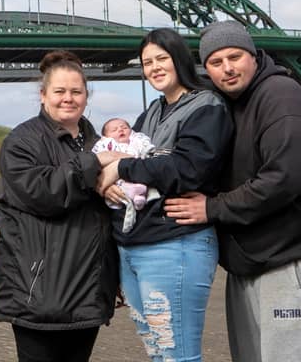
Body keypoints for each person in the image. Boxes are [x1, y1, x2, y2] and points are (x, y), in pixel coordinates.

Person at [164, 20, 301, 362]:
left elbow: (283, 179)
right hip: (253, 261)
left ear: (254, 56)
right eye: (216, 62)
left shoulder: (281, 96)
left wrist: (211, 208)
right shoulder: (226, 104)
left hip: (293, 259)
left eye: (235, 56)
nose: (227, 68)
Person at [96, 28, 234, 361]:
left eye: (162, 58)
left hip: (175, 245)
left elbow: (188, 169)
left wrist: (122, 168)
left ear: (180, 59)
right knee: (157, 351)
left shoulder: (207, 107)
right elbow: (138, 166)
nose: (154, 67)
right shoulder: (151, 114)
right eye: (147, 62)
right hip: (135, 247)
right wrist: (112, 182)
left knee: (177, 355)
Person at [0, 50, 120, 362]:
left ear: (87, 96)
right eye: (59, 91)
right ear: (43, 95)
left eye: (76, 92)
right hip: (38, 293)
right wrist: (97, 163)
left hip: (87, 294)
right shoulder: (22, 141)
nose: (68, 99)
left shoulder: (97, 141)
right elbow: (44, 193)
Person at [92, 117, 156, 232]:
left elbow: (147, 147)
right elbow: (96, 156)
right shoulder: (108, 144)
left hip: (139, 173)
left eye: (124, 127)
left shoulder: (137, 140)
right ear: (106, 136)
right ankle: (134, 198)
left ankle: (141, 196)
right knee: (122, 189)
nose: (121, 130)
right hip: (117, 179)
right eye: (114, 130)